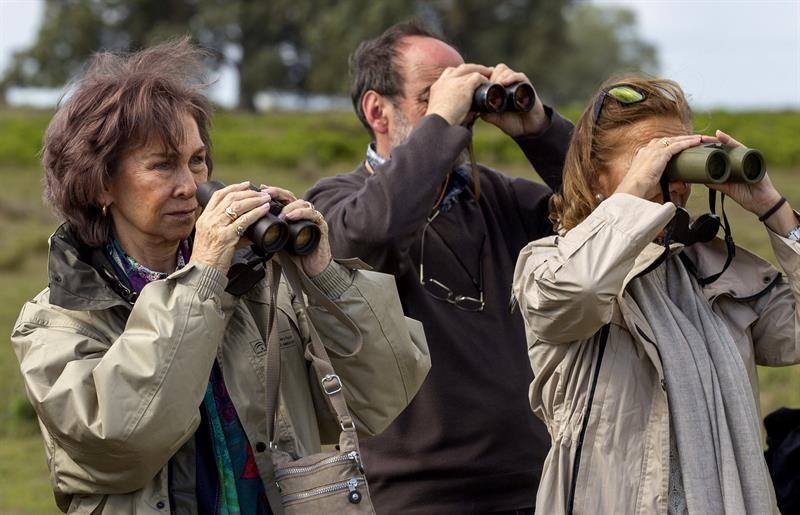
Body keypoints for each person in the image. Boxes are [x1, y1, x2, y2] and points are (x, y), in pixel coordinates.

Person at [10, 40, 430, 514]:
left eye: (196, 160)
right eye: (162, 165)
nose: (189, 186)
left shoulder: (255, 287)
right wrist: (203, 275)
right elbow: (120, 442)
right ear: (101, 182)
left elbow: (384, 393)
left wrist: (324, 275)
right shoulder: (57, 321)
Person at [306, 20, 573, 514]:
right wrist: (442, 124)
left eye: (466, 94)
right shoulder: (334, 203)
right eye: (434, 95)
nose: (461, 114)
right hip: (413, 495)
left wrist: (540, 130)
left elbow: (606, 210)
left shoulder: (499, 198)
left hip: (534, 483)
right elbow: (374, 234)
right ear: (377, 110)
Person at [512, 75, 800, 514]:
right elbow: (580, 292)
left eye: (680, 160)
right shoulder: (548, 264)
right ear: (596, 176)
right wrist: (633, 197)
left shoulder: (713, 270)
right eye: (652, 161)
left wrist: (772, 207)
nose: (673, 182)